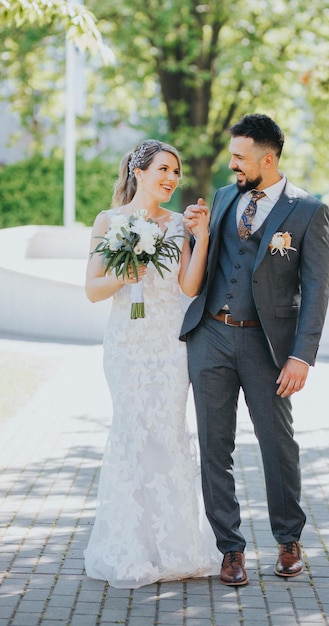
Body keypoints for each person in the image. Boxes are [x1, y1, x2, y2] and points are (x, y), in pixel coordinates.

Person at [181, 114, 329, 586]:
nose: (232, 165)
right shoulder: (225, 198)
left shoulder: (308, 210)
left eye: (240, 157)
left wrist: (302, 356)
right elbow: (202, 265)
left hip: (269, 347)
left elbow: (317, 288)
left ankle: (289, 539)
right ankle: (230, 549)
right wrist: (195, 232)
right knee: (213, 446)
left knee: (278, 445)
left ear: (268, 158)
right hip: (211, 336)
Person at [84, 139, 220, 588]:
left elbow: (189, 287)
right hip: (125, 344)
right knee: (130, 432)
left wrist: (200, 240)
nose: (171, 179)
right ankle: (131, 546)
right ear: (138, 171)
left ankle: (177, 547)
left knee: (167, 434)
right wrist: (127, 272)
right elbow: (92, 289)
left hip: (168, 344)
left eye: (176, 173)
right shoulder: (110, 221)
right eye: (163, 169)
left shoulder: (180, 224)